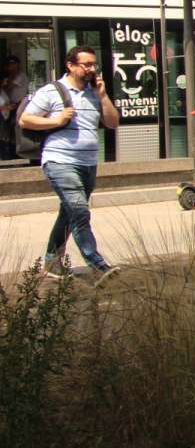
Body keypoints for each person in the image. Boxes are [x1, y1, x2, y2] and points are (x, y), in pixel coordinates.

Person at [19, 45, 120, 279]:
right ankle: (97, 265)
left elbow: (113, 123)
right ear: (71, 65)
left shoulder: (96, 92)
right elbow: (26, 119)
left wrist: (103, 96)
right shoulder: (52, 91)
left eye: (94, 64)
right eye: (86, 65)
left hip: (88, 162)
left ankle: (51, 262)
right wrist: (56, 120)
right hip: (59, 160)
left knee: (69, 212)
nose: (91, 69)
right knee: (80, 211)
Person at [2, 55, 29, 159]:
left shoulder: (21, 76)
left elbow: (8, 87)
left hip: (19, 105)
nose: (11, 67)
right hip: (8, 106)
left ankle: (17, 152)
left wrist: (9, 77)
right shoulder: (8, 76)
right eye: (9, 65)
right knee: (7, 130)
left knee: (16, 129)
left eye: (13, 64)